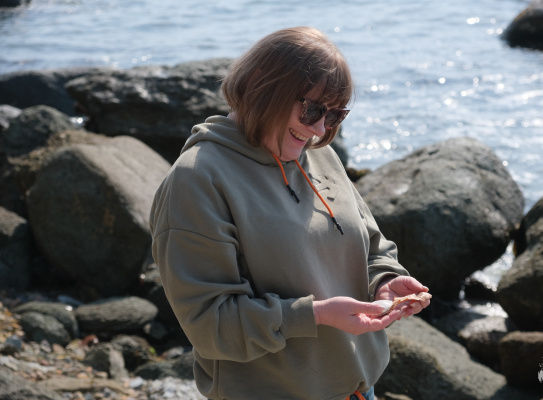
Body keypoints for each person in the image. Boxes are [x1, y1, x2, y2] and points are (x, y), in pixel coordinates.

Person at [149, 26, 430, 400]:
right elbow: (210, 325)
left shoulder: (321, 156)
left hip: (360, 388)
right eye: (312, 109)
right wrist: (315, 315)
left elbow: (371, 247)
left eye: (334, 115)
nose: (319, 128)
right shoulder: (197, 180)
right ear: (264, 87)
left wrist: (385, 281)